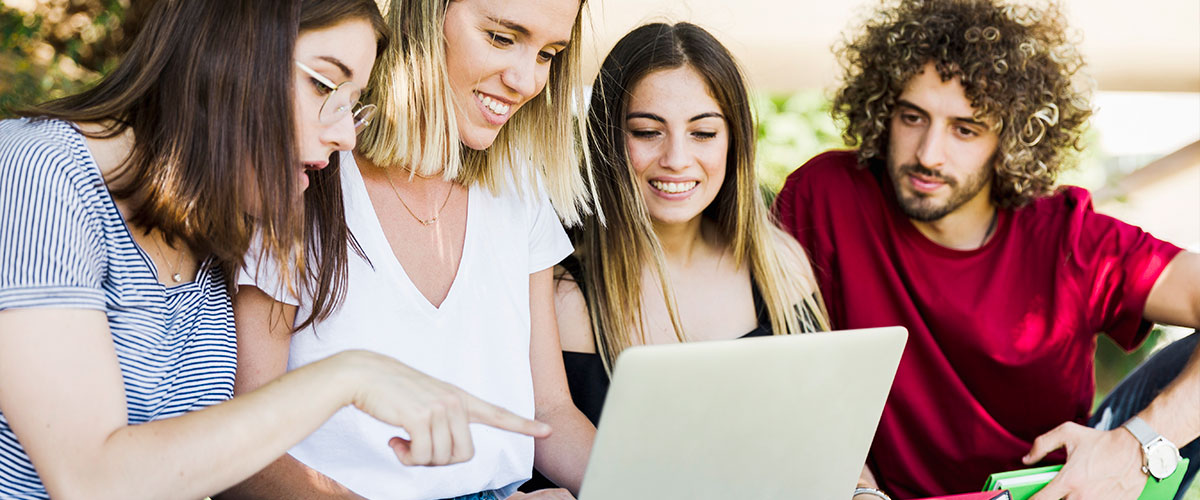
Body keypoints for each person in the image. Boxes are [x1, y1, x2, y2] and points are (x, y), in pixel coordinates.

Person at [0, 1, 555, 499]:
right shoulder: (38, 173)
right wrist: (349, 377)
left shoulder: (215, 221)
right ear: (224, 51)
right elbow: (91, 480)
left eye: (354, 104)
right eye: (324, 86)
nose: (346, 138)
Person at [771, 1, 1200, 499]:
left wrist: (1136, 444)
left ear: (1011, 138)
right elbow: (783, 367)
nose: (929, 154)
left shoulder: (1072, 239)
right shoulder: (825, 196)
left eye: (965, 129)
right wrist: (855, 485)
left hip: (1054, 489)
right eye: (912, 117)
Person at [226, 0, 597, 499]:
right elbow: (243, 455)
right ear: (426, 15)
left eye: (549, 54)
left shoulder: (519, 187)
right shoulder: (304, 176)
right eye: (502, 38)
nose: (528, 81)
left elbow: (548, 411)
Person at [518, 24, 829, 492]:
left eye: (703, 132)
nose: (677, 159)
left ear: (735, 140)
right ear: (606, 141)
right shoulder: (563, 294)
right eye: (647, 131)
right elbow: (546, 425)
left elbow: (828, 431)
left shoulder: (779, 264)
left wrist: (862, 489)